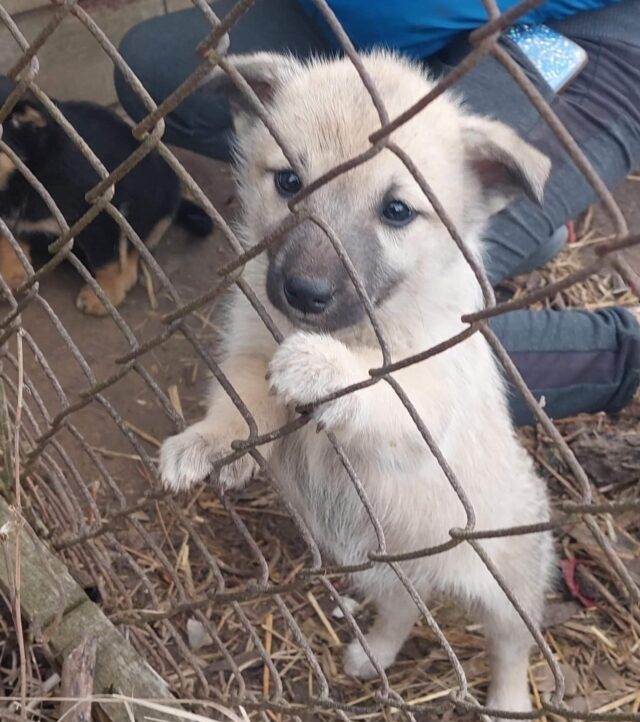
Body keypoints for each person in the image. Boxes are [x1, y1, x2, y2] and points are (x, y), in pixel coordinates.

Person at [115, 0, 640, 425]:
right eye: (292, 182)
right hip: (345, 21)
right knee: (158, 61)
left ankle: (620, 352)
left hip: (573, 23)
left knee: (412, 324)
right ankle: (526, 236)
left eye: (393, 211)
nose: (308, 276)